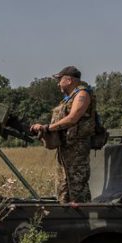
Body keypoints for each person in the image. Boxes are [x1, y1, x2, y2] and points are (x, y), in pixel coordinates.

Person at [31, 65, 96, 203]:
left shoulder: (82, 95)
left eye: (60, 79)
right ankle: (66, 217)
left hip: (77, 149)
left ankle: (83, 219)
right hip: (66, 148)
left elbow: (73, 118)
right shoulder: (69, 98)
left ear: (69, 80)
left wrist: (48, 128)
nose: (58, 83)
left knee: (77, 186)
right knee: (63, 186)